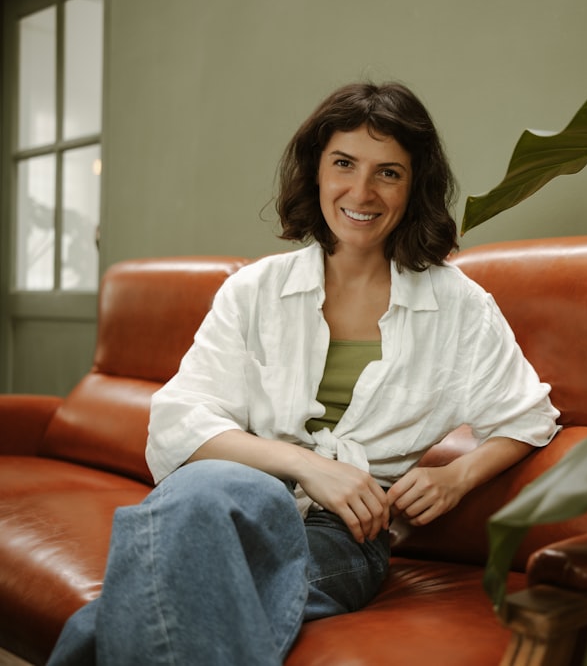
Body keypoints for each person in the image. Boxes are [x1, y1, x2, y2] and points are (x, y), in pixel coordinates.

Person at [47, 81, 559, 665]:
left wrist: (459, 476)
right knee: (198, 492)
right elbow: (179, 420)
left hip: (345, 535)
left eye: (388, 172)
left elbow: (528, 414)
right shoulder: (253, 289)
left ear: (415, 184)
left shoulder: (459, 304)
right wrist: (306, 465)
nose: (361, 192)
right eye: (343, 164)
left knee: (142, 598)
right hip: (226, 503)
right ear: (316, 171)